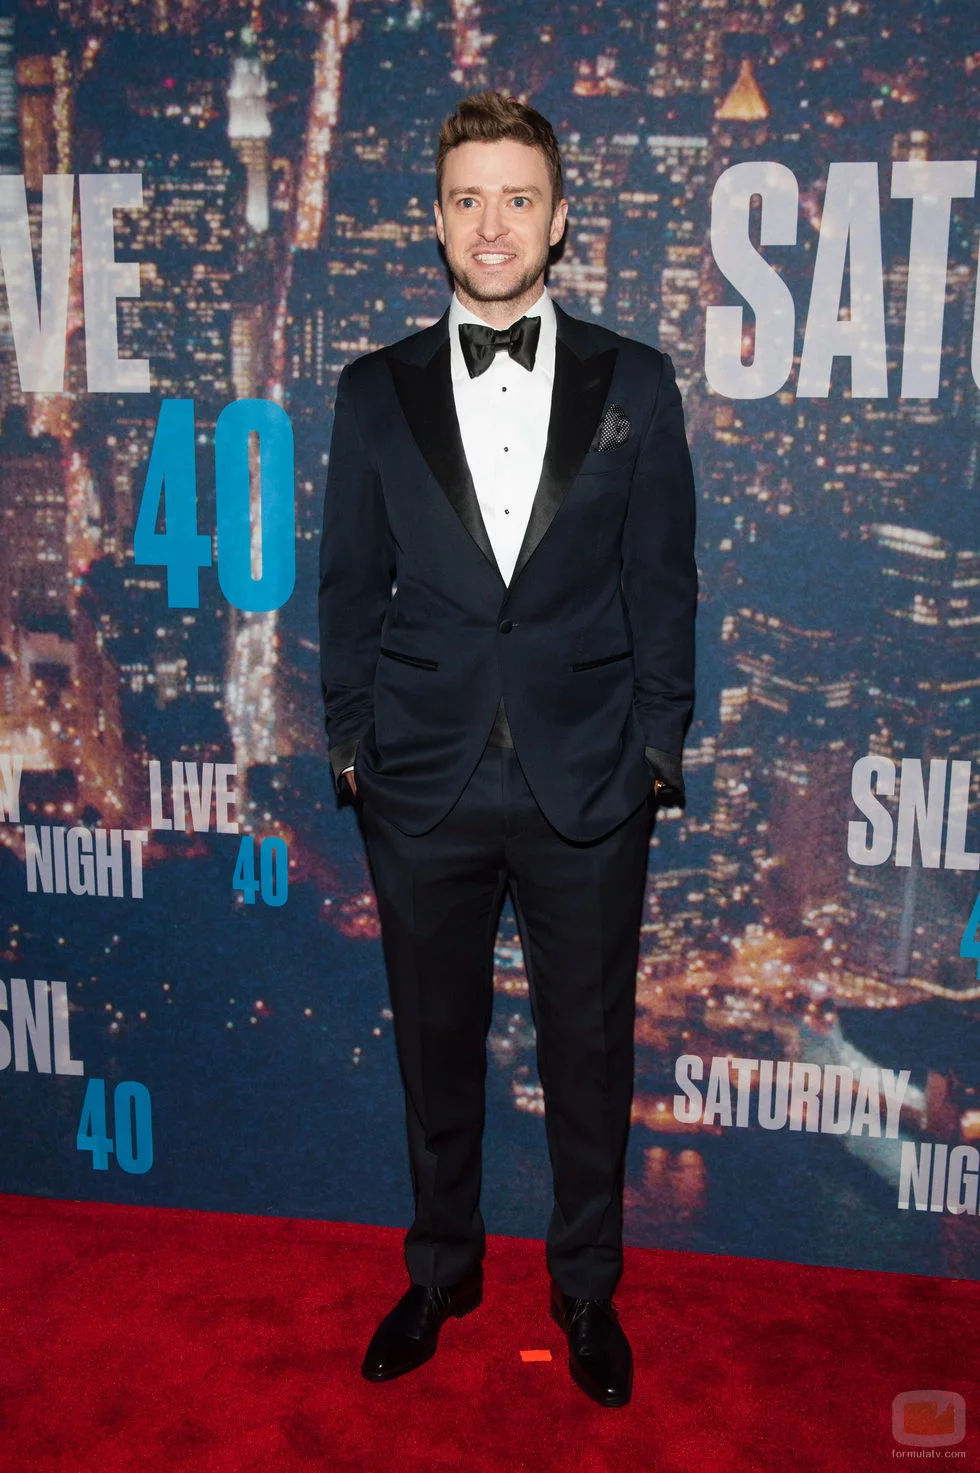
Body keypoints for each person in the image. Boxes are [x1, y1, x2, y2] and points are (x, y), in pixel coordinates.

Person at [318, 90, 697, 1408]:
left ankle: (585, 1288)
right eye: (469, 198)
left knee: (588, 1052)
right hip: (420, 782)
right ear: (436, 220)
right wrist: (353, 747)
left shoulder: (635, 382)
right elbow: (348, 585)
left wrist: (656, 753)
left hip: (588, 779)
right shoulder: (372, 393)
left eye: (518, 199)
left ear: (559, 218)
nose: (494, 224)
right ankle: (441, 1273)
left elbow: (664, 583)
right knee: (435, 1048)